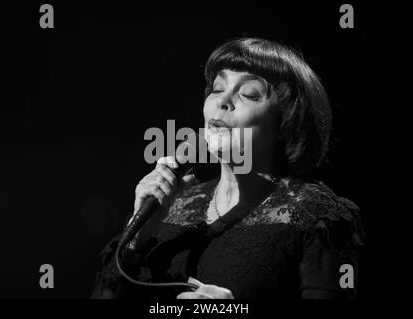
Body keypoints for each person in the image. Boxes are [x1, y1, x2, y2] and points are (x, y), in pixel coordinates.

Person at [91, 38, 364, 299]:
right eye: (217, 89)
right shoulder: (172, 204)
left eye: (248, 94)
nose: (223, 101)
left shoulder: (315, 216)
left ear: (285, 122)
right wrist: (136, 237)